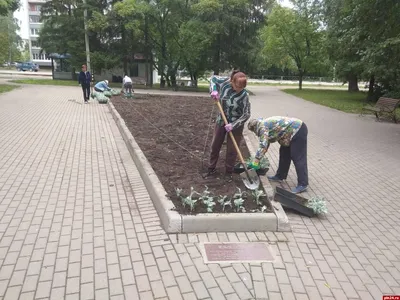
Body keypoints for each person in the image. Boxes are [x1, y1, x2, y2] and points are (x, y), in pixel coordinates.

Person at [203, 70, 251, 182]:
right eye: (237, 86)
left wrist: (233, 125)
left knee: (232, 149)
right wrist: (213, 90)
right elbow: (212, 79)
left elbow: (246, 114)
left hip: (236, 124)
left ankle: (228, 172)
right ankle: (211, 168)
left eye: (242, 87)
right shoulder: (225, 83)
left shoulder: (244, 95)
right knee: (215, 145)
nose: (239, 89)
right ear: (232, 81)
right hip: (221, 119)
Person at [247, 117, 309, 194]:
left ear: (254, 128)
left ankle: (303, 184)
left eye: (253, 131)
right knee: (284, 154)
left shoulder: (262, 127)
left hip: (298, 130)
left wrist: (256, 160)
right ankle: (280, 176)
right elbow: (266, 144)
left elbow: (263, 145)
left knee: (298, 157)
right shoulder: (263, 125)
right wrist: (258, 157)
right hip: (288, 135)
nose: (254, 133)